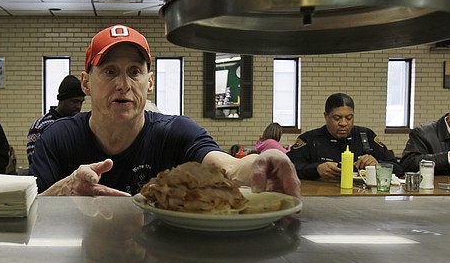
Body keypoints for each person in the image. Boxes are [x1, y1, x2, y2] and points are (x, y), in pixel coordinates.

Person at [28, 24, 300, 198]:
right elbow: (31, 211)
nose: (123, 85)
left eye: (135, 72)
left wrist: (262, 163)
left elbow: (227, 167)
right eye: (110, 72)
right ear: (86, 82)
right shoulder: (56, 139)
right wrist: (65, 190)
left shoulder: (176, 133)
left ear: (150, 83)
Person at [287, 93, 402, 180]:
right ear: (326, 116)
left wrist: (378, 165)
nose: (343, 123)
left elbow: (398, 168)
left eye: (349, 118)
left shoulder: (366, 136)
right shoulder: (310, 140)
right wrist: (316, 169)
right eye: (337, 118)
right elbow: (288, 168)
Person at [26, 74, 86, 164]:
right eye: (74, 101)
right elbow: (34, 160)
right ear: (62, 100)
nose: (78, 106)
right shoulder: (41, 126)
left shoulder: (81, 125)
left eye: (81, 102)